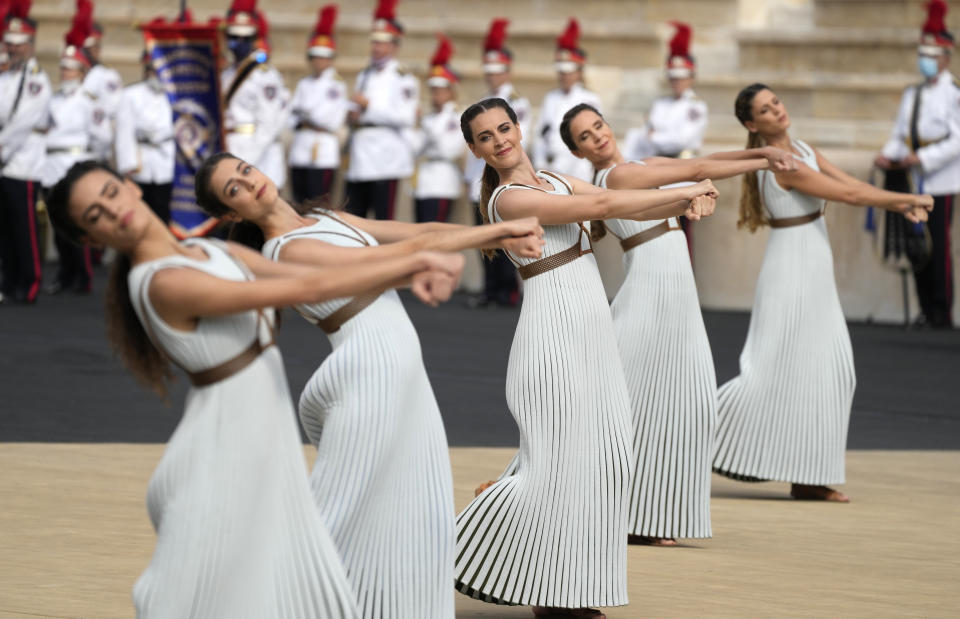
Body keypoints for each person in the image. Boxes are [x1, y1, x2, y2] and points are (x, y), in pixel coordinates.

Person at [46, 159, 464, 617]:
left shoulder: (214, 254)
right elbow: (307, 288)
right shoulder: (164, 281)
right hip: (221, 450)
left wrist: (415, 264)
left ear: (131, 186)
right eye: (94, 217)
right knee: (198, 594)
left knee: (285, 584)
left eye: (110, 193)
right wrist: (417, 261)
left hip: (260, 438)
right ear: (90, 240)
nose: (112, 211)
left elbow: (315, 281)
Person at [194, 151, 544, 619]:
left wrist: (481, 237)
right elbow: (383, 258)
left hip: (399, 366)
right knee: (334, 513)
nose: (249, 181)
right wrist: (498, 231)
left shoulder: (324, 216)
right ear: (231, 213)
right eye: (233, 188)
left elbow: (420, 234)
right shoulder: (282, 249)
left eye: (245, 170)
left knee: (417, 502)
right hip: (367, 369)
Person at [454, 97, 717, 619]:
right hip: (551, 336)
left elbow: (626, 203)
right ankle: (545, 588)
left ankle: (569, 580)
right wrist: (688, 189)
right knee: (563, 463)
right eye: (486, 137)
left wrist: (685, 202)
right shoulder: (507, 199)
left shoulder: (554, 179)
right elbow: (601, 209)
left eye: (504, 127)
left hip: (593, 331)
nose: (499, 140)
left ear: (518, 128)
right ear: (475, 149)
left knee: (610, 455)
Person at [560, 103, 796, 546]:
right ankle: (605, 509)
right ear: (578, 151)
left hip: (675, 296)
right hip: (648, 295)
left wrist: (764, 155)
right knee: (632, 404)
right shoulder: (615, 179)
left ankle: (647, 515)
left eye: (598, 126)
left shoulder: (640, 164)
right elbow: (697, 171)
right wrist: (760, 158)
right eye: (585, 137)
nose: (597, 137)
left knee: (680, 403)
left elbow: (703, 163)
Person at [714, 84, 933, 503]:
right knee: (769, 371)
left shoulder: (801, 147)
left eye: (776, 102)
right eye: (765, 109)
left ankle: (809, 476)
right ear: (750, 124)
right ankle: (687, 430)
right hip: (791, 268)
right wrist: (906, 197)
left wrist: (898, 205)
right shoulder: (781, 164)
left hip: (812, 260)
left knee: (832, 371)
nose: (777, 110)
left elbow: (848, 182)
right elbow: (849, 196)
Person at [875, 0, 959, 329]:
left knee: (937, 245)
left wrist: (922, 158)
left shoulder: (953, 94)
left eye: (931, 56)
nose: (925, 61)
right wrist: (888, 154)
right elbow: (900, 133)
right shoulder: (913, 93)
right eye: (922, 55)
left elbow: (956, 140)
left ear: (945, 56)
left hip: (941, 180)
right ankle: (925, 307)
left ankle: (942, 310)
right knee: (915, 244)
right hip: (910, 179)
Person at [622, 21, 707, 252]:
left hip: (682, 173)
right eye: (673, 76)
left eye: (682, 76)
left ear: (691, 76)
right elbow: (642, 137)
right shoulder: (661, 104)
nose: (677, 81)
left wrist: (654, 136)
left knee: (683, 235)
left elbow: (681, 140)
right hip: (658, 175)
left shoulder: (695, 106)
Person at [464, 17, 532, 307]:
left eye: (497, 71)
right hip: (483, 175)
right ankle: (491, 288)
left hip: (505, 176)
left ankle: (508, 290)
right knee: (485, 235)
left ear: (507, 70)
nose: (492, 76)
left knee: (505, 233)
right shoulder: (483, 101)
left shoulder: (517, 102)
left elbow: (516, 143)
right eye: (488, 71)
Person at [42, 14, 110, 296]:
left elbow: (102, 138)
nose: (65, 74)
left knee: (76, 224)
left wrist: (90, 166)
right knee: (58, 225)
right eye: (63, 69)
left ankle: (81, 276)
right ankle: (65, 273)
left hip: (75, 162)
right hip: (51, 165)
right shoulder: (54, 99)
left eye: (70, 69)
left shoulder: (88, 103)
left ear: (82, 72)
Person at [344, 0, 418, 220]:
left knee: (384, 218)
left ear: (394, 45)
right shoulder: (365, 73)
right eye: (374, 41)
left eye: (382, 42)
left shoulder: (403, 78)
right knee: (355, 216)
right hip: (361, 153)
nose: (376, 47)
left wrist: (370, 107)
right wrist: (353, 114)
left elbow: (405, 116)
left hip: (384, 156)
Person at [0, 1, 51, 305]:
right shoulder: (5, 77)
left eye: (19, 44)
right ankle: (8, 281)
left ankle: (29, 283)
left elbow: (22, 124)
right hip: (4, 165)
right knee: (4, 229)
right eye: (9, 43)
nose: (14, 49)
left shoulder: (36, 81)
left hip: (22, 163)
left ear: (31, 45)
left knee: (25, 229)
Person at [221, 0, 290, 188]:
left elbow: (268, 123)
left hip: (255, 154)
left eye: (245, 38)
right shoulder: (226, 74)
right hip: (229, 148)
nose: (239, 43)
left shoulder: (264, 75)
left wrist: (246, 160)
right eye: (233, 36)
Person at [288, 4, 347, 204]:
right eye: (315, 57)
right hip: (300, 148)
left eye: (323, 57)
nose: (318, 61)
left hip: (322, 150)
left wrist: (305, 113)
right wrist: (306, 115)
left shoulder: (336, 85)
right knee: (299, 201)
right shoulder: (304, 83)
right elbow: (291, 117)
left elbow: (331, 120)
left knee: (319, 204)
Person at [532, 18, 601, 182]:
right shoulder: (550, 98)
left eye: (569, 71)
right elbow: (541, 133)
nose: (564, 75)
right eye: (561, 71)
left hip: (578, 172)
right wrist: (540, 164)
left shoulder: (589, 99)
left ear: (578, 71)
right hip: (549, 171)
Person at [114, 51, 174, 223]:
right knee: (141, 213)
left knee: (165, 214)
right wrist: (127, 166)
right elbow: (124, 133)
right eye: (150, 69)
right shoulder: (131, 94)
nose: (154, 74)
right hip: (142, 161)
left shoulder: (174, 93)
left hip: (167, 161)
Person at [411, 34, 465, 222]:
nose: (436, 95)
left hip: (443, 180)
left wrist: (427, 128)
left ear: (450, 91)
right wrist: (415, 124)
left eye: (440, 90)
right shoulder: (430, 117)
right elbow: (415, 148)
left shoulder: (455, 117)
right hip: (423, 180)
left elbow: (449, 149)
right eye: (433, 90)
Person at [78, 0, 122, 165]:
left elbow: (112, 108)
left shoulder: (107, 75)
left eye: (96, 46)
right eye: (89, 47)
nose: (93, 51)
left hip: (98, 141)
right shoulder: (77, 73)